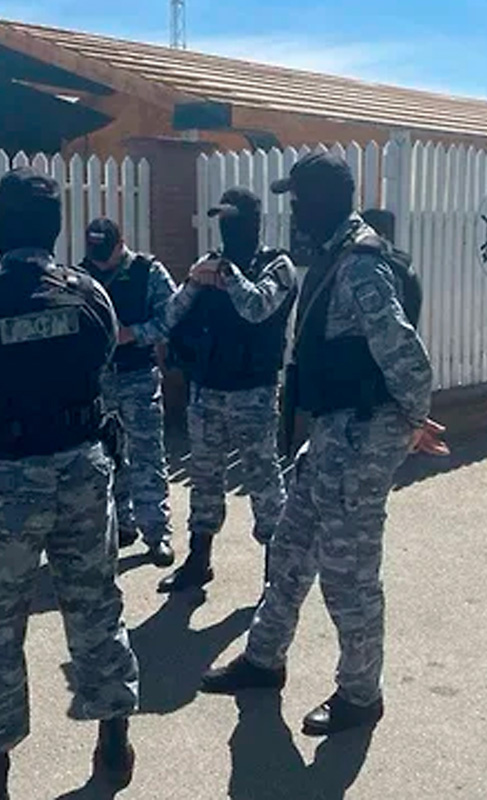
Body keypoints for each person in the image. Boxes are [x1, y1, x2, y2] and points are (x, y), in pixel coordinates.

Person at [0, 167, 140, 800]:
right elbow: (103, 365)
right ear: (55, 229)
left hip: (0, 480)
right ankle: (114, 746)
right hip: (82, 470)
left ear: (0, 230)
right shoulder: (90, 294)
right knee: (96, 607)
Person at [200, 152, 446, 737]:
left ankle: (361, 695)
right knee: (290, 549)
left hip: (361, 436)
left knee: (348, 572)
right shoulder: (337, 257)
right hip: (334, 433)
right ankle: (264, 660)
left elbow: (407, 357)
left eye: (299, 202)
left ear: (322, 201)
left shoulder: (360, 265)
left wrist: (410, 423)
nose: (295, 214)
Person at [160, 187, 298, 593]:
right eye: (221, 221)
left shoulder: (277, 266)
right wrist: (192, 281)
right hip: (206, 389)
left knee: (263, 480)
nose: (225, 229)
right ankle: (198, 560)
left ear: (253, 222)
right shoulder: (210, 265)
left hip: (253, 392)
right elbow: (170, 316)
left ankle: (277, 570)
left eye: (232, 221)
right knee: (204, 478)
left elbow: (257, 308)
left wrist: (228, 275)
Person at [79, 217, 177, 568]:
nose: (101, 262)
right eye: (95, 254)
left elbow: (172, 318)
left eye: (106, 254)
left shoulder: (148, 272)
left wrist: (133, 333)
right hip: (98, 380)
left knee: (147, 454)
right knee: (106, 455)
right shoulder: (81, 276)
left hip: (138, 375)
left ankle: (157, 532)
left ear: (122, 244)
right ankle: (121, 522)